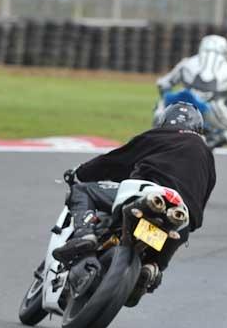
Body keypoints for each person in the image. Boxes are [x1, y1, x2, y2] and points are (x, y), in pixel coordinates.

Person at [52, 102, 216, 304]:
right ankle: (151, 269)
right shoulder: (207, 156)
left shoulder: (158, 136)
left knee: (83, 190)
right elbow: (203, 198)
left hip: (148, 195)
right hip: (180, 218)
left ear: (164, 121)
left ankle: (85, 234)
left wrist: (80, 172)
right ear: (198, 127)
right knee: (160, 253)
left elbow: (114, 161)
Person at [155, 34, 227, 147]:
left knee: (161, 103)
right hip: (211, 112)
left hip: (180, 108)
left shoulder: (186, 63)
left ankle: (158, 132)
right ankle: (213, 140)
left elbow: (163, 84)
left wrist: (168, 104)